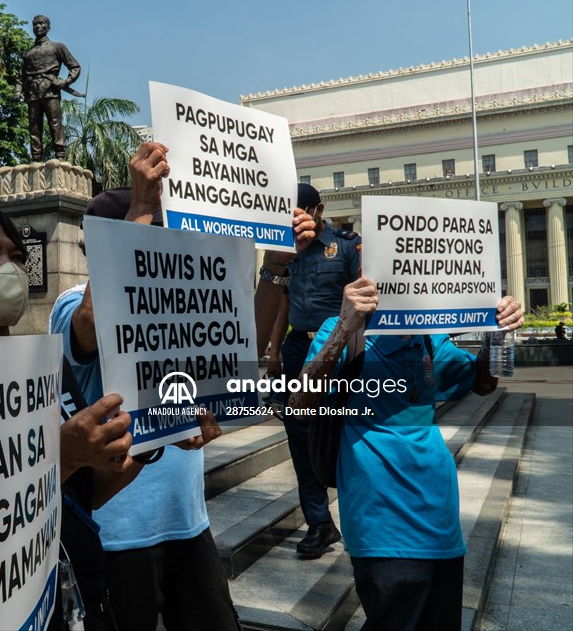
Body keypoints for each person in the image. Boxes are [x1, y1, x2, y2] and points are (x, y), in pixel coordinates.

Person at [51, 142, 270, 631]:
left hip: (186, 520)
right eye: (151, 236)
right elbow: (92, 321)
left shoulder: (174, 300)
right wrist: (143, 209)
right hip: (121, 533)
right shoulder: (70, 304)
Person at [0, 200, 143, 631]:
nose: (12, 268)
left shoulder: (44, 366)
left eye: (18, 257)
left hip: (65, 598)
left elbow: (83, 496)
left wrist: (154, 438)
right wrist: (66, 454)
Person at [293, 278, 524, 630]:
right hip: (381, 523)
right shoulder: (346, 331)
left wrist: (498, 331)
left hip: (440, 524)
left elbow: (482, 381)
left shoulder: (429, 337)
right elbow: (299, 403)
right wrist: (345, 326)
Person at [264, 183, 361, 558]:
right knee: (300, 437)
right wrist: (275, 350)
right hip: (297, 349)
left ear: (318, 209)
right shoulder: (285, 249)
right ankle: (319, 523)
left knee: (343, 431)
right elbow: (283, 302)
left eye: (300, 210)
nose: (293, 218)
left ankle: (358, 517)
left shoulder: (348, 246)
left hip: (337, 352)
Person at [19, 14, 81, 161]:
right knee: (34, 126)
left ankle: (60, 154)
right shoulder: (27, 53)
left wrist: (65, 82)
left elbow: (75, 66)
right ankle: (36, 156)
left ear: (48, 27)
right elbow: (20, 76)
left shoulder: (57, 47)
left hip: (50, 90)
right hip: (32, 91)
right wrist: (17, 91)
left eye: (41, 23)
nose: (38, 26)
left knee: (55, 123)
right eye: (35, 24)